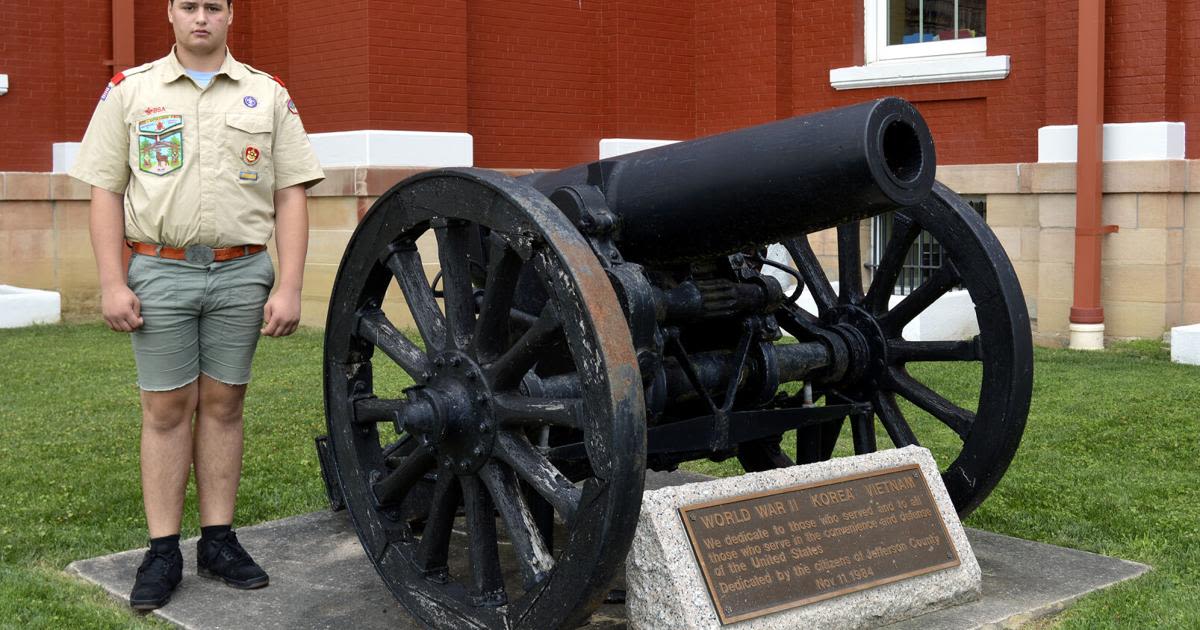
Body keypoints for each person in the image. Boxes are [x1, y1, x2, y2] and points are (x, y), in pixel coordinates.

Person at [69, 0, 324, 611]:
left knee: (225, 403)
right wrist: (111, 282)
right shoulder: (131, 92)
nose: (201, 17)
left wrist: (289, 285)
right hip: (160, 269)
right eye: (190, 6)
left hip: (242, 272)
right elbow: (105, 191)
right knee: (164, 408)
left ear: (231, 15)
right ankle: (163, 552)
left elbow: (290, 194)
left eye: (214, 6)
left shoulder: (267, 95)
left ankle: (218, 541)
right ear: (171, 15)